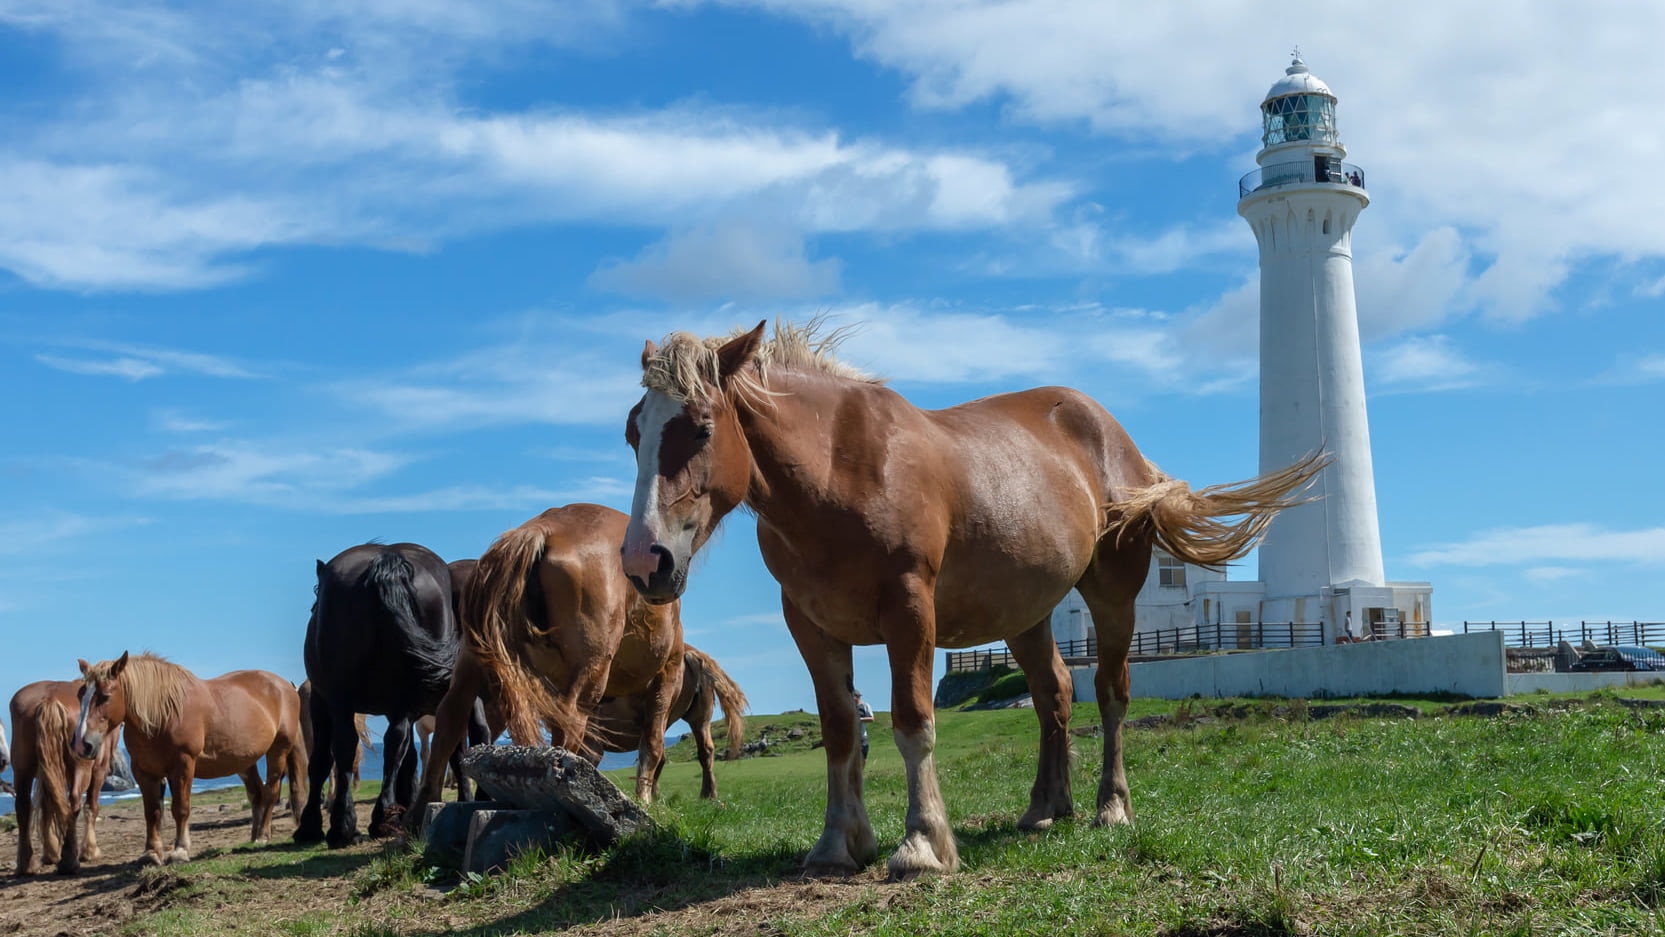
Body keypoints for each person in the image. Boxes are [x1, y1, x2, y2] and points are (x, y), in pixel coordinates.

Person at [854, 689, 875, 762]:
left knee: (863, 758)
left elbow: (872, 719)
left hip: (862, 736)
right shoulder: (850, 707)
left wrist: (860, 719)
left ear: (857, 697)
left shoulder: (865, 706)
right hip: (851, 737)